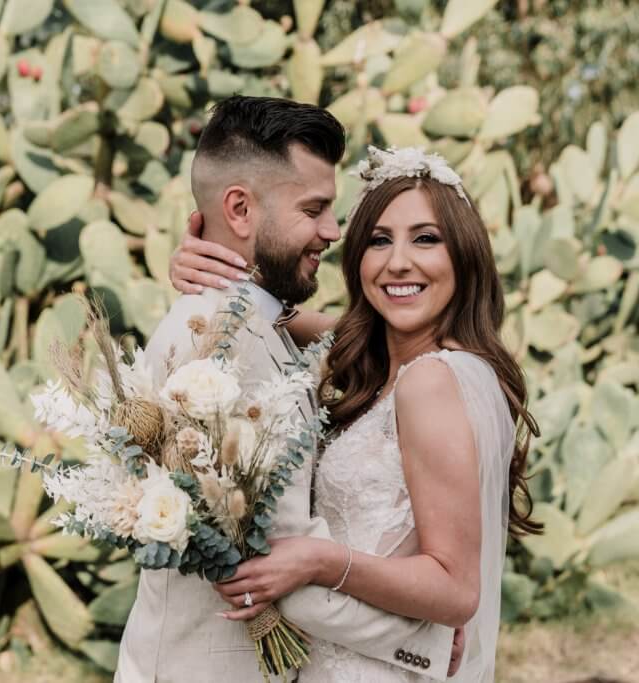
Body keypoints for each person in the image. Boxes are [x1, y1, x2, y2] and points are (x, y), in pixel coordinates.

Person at [116, 98, 460, 682]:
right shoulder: (223, 348)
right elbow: (279, 568)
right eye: (314, 209)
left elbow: (361, 340)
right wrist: (423, 642)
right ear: (241, 209)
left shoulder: (246, 321)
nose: (332, 231)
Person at [170, 145, 541, 682]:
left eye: (426, 239)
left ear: (464, 254)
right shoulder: (382, 353)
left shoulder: (431, 382)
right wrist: (202, 260)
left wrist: (318, 561)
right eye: (378, 240)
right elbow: (264, 314)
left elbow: (456, 590)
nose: (398, 262)